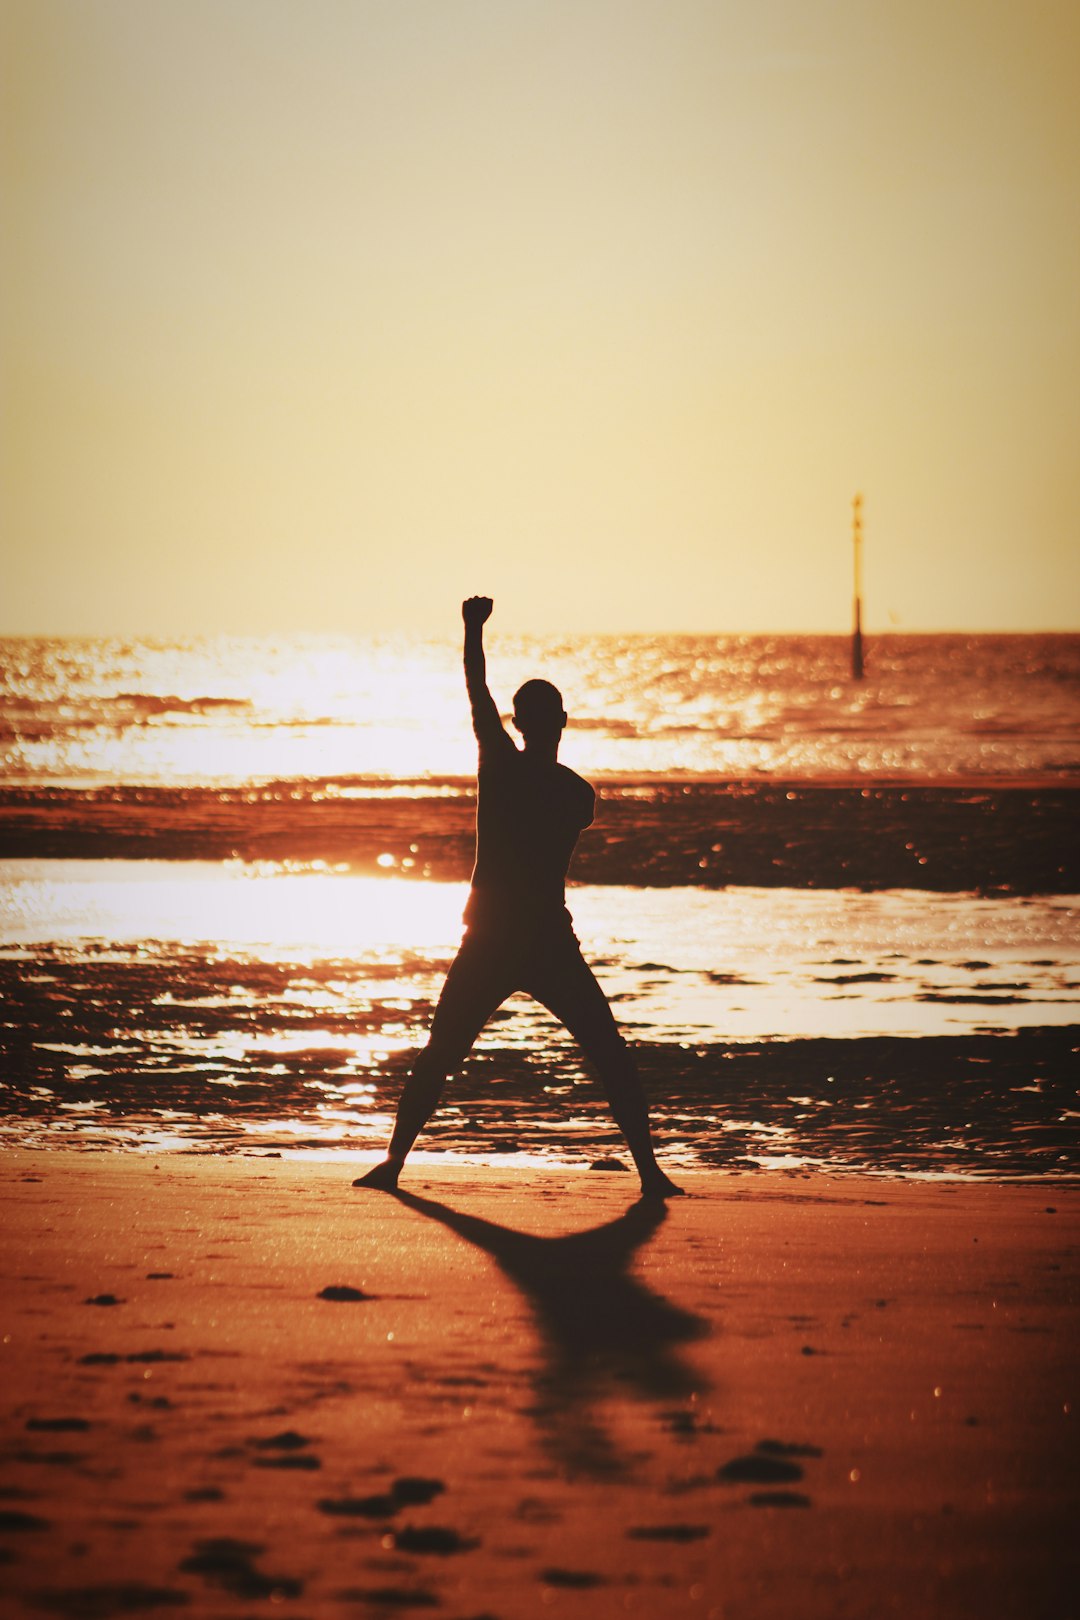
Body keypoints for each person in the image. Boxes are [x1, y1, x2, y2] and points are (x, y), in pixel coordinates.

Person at [354, 596, 682, 1199]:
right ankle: (651, 1174)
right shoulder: (578, 795)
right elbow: (483, 701)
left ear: (521, 722)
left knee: (442, 1051)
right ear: (562, 721)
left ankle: (394, 1164)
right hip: (539, 940)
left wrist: (472, 630)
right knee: (607, 1053)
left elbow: (477, 694)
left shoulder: (500, 768)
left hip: (497, 938)